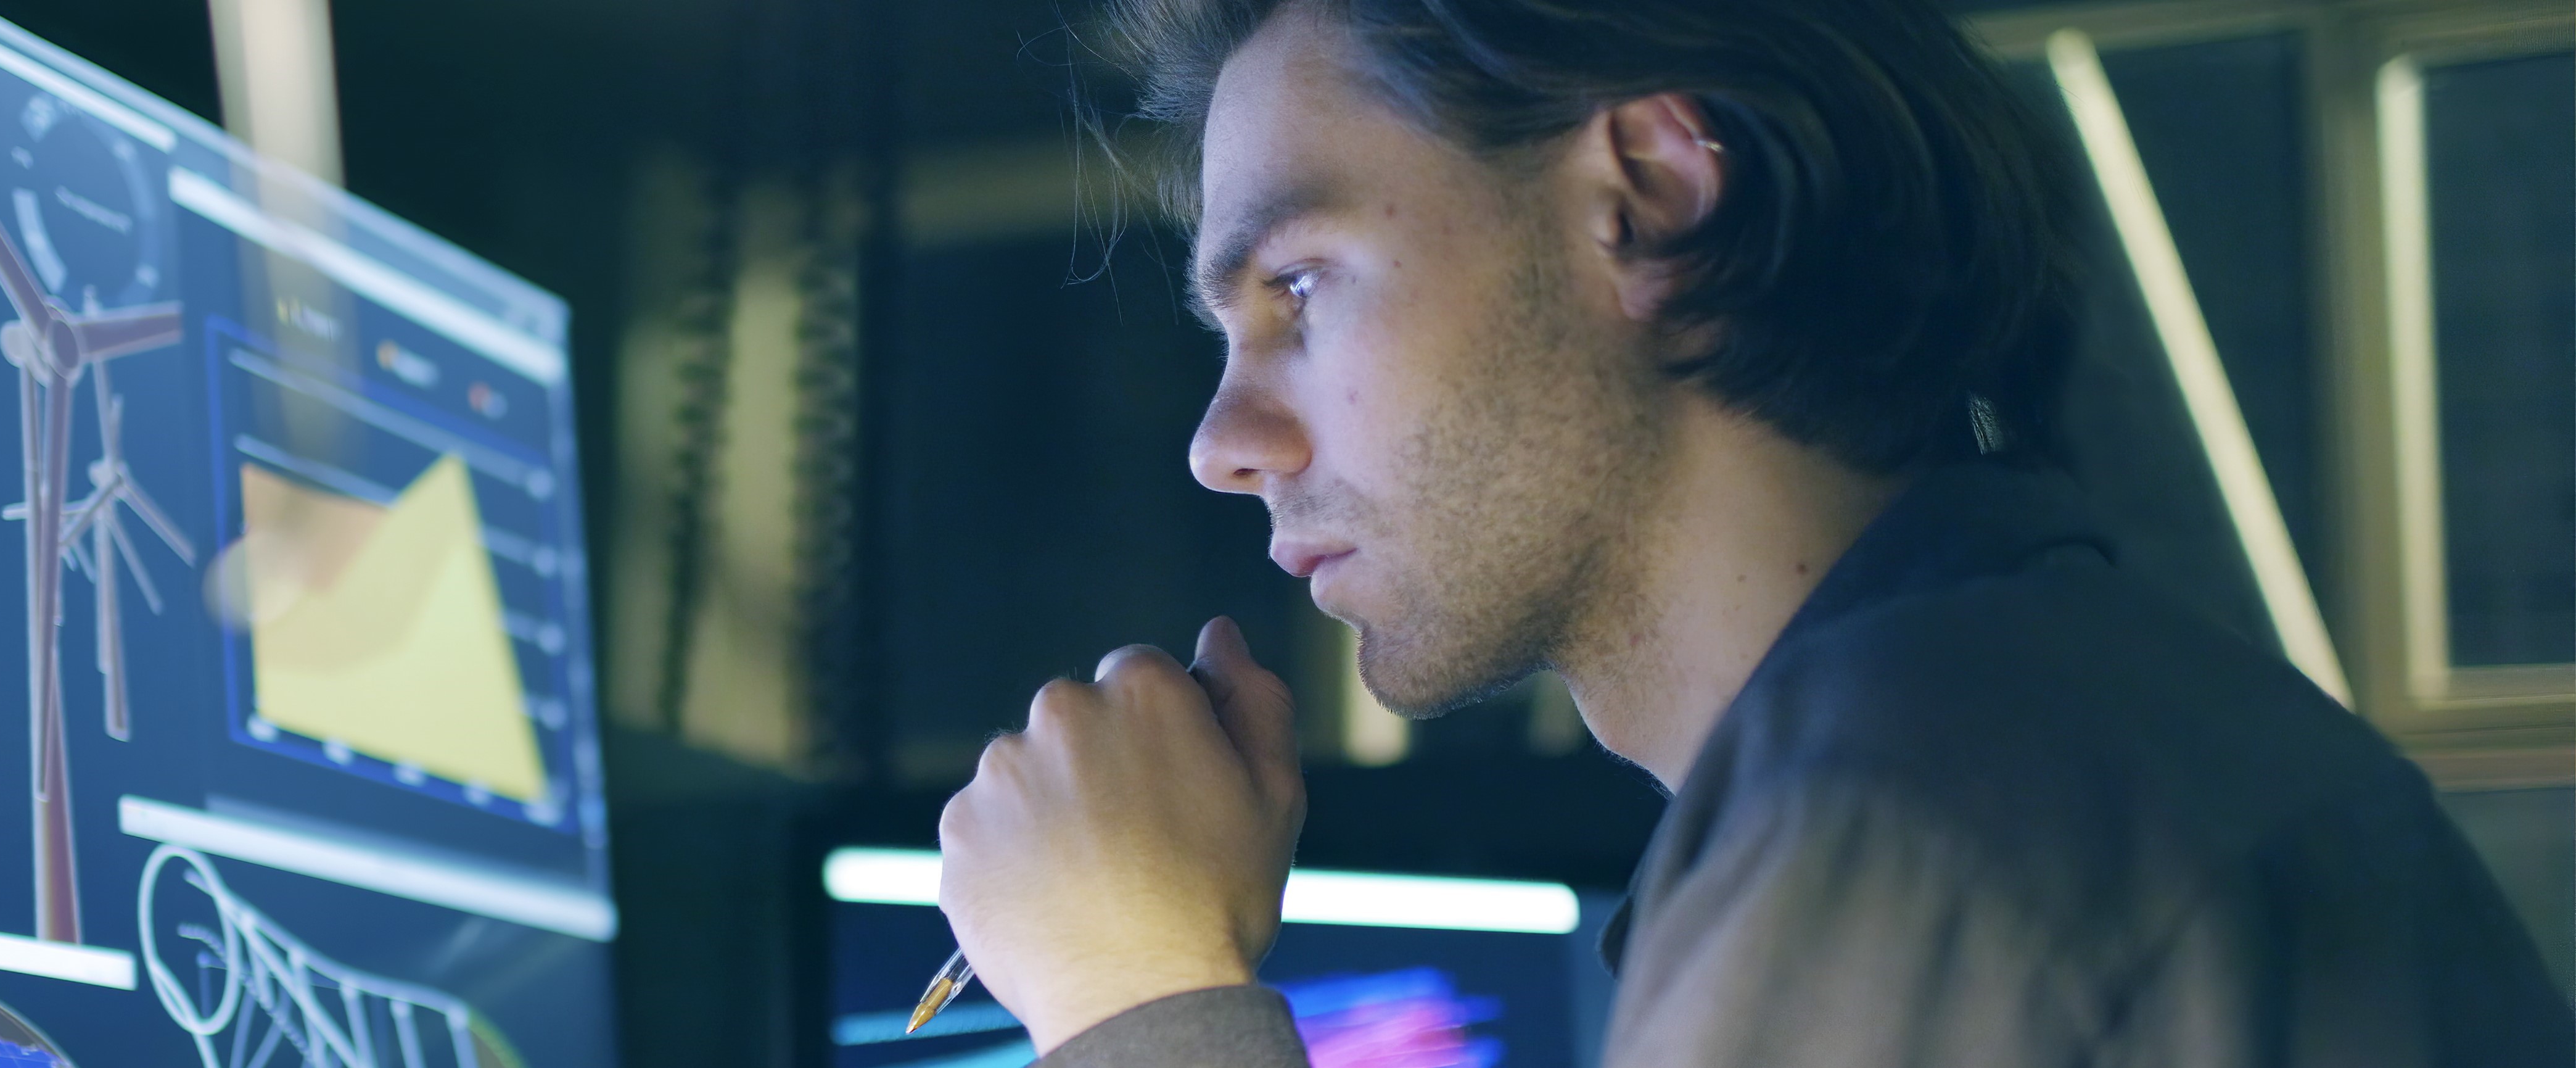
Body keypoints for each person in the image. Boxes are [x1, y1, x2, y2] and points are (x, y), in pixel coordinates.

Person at [930, 0, 2576, 1064]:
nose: (1226, 443)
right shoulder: (2070, 718)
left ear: (1646, 194)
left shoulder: (1905, 821)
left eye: (1299, 286)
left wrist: (1140, 999)